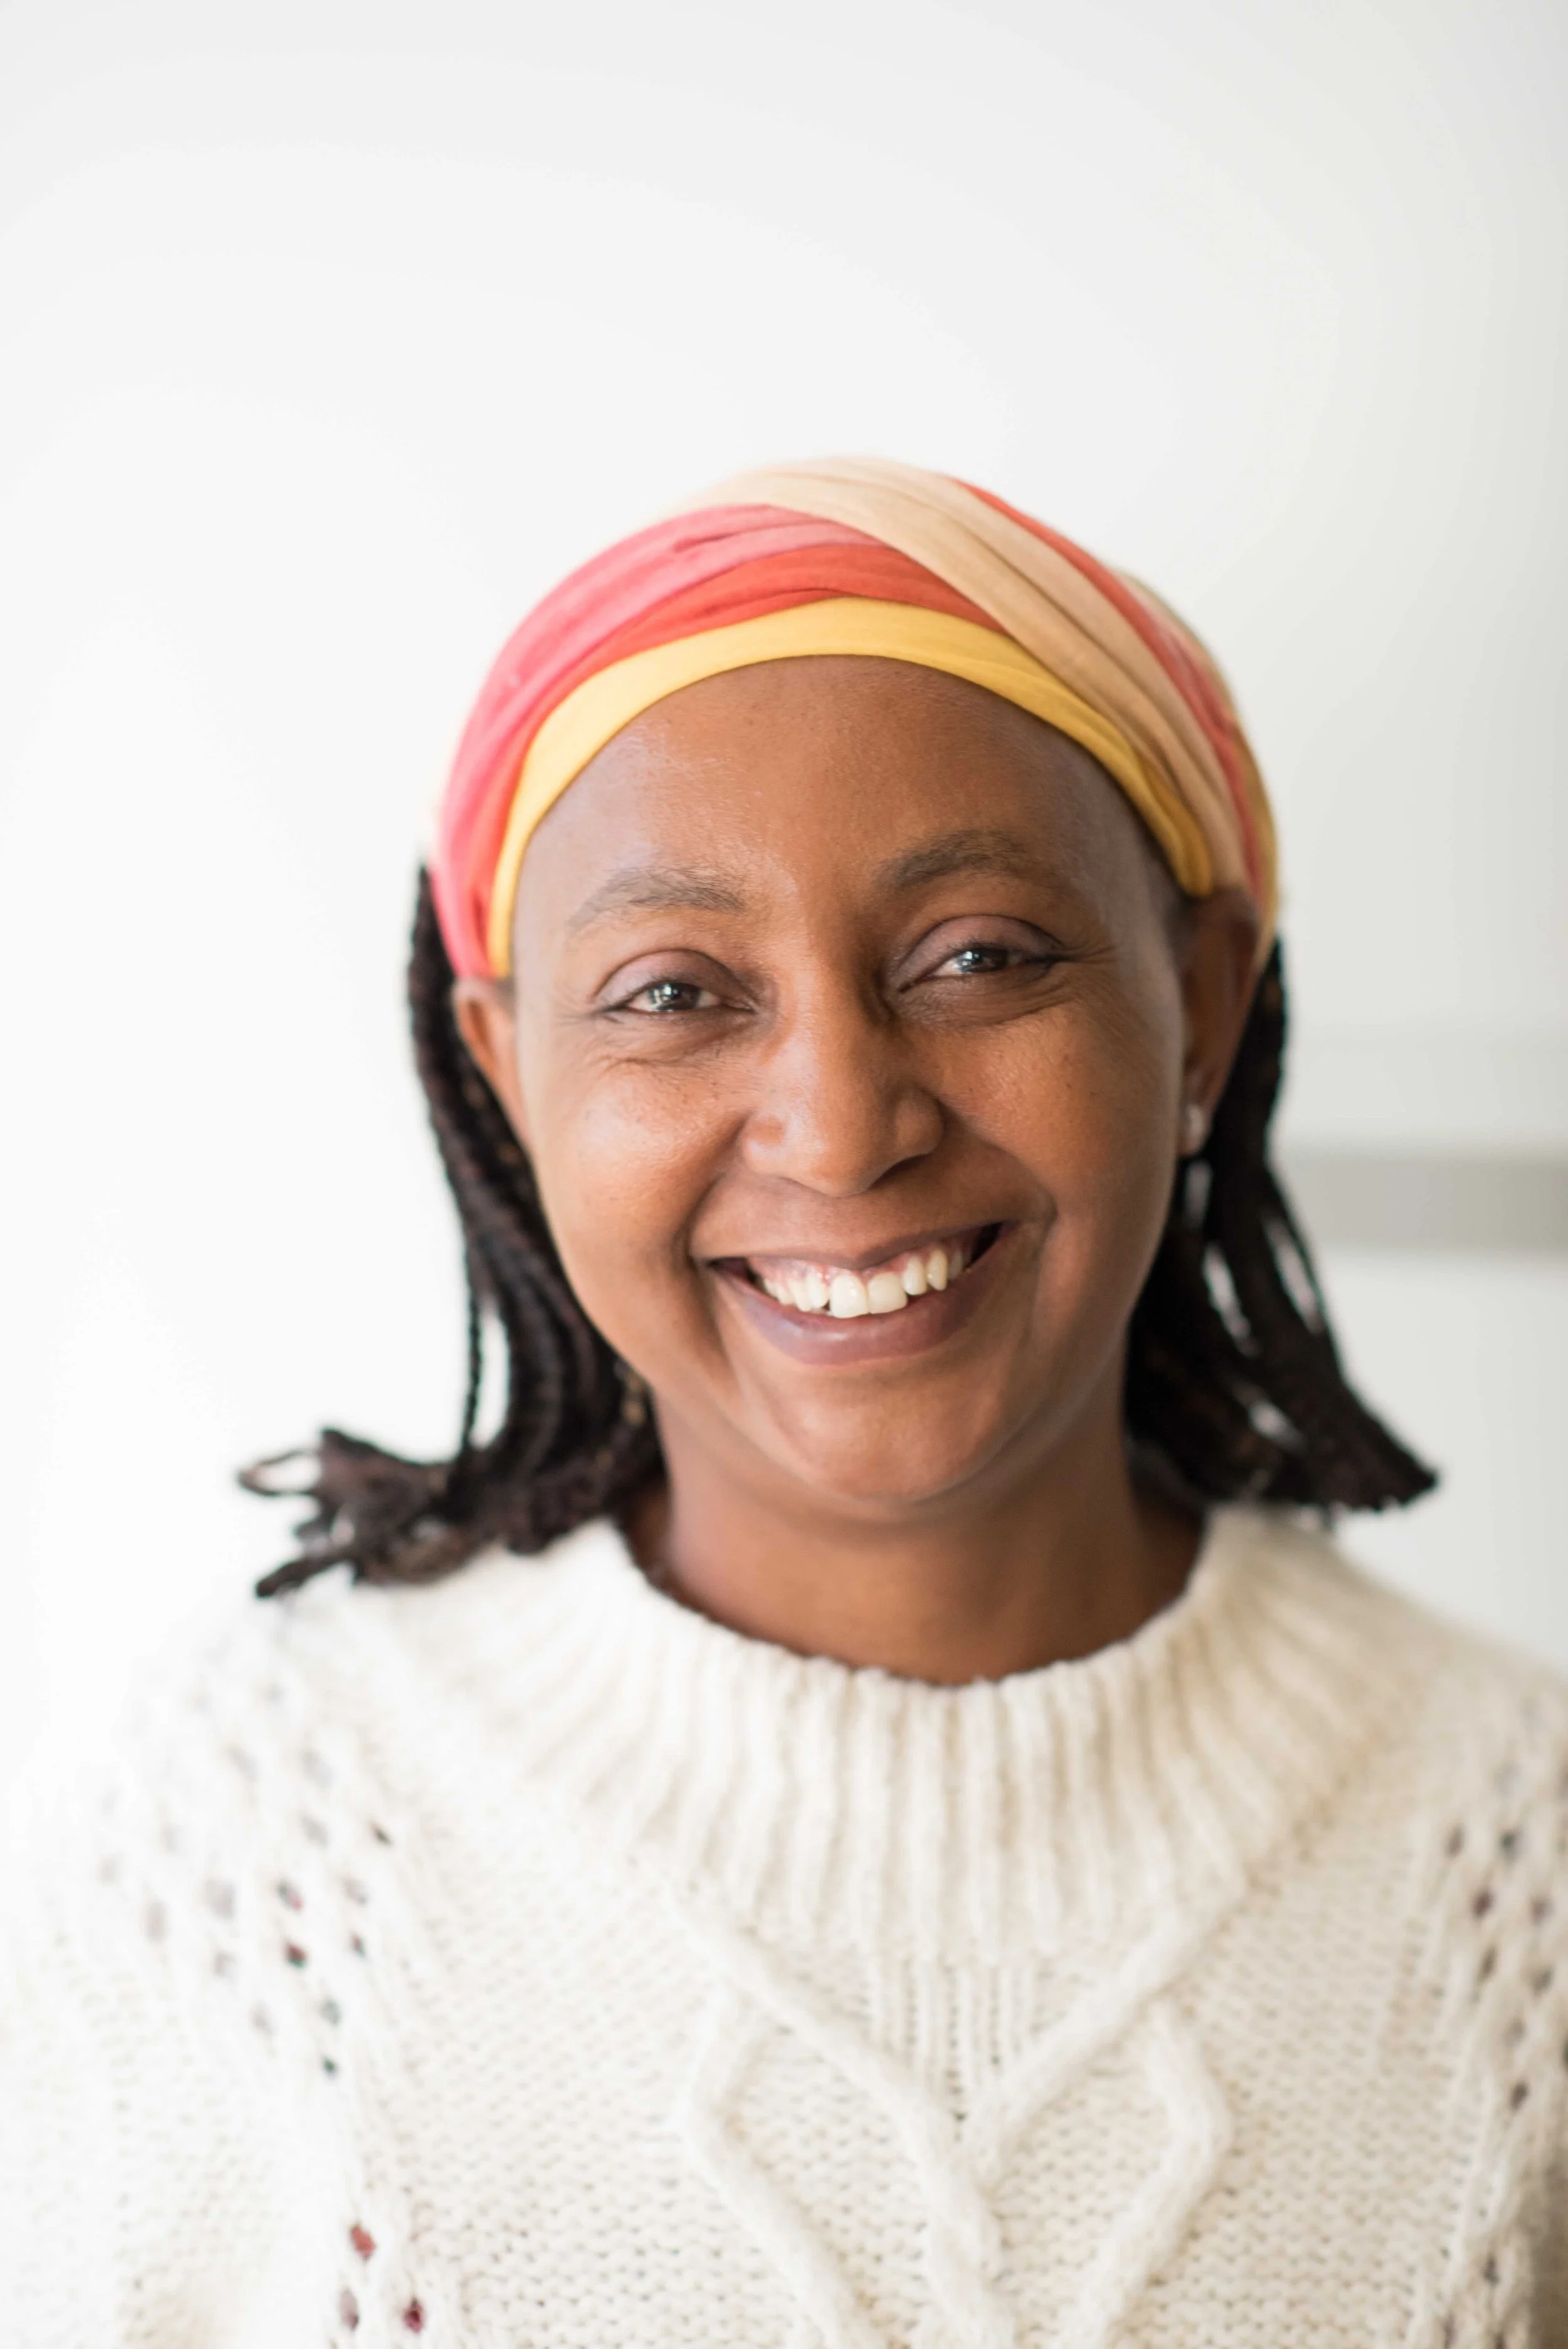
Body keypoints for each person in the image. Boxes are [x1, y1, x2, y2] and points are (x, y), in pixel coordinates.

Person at [4, 458, 1564, 2345]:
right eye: (672, 992)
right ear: (505, 1070)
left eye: (979, 956)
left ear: (1201, 1008)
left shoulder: (1522, 1864)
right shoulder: (254, 1858)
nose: (840, 1127)